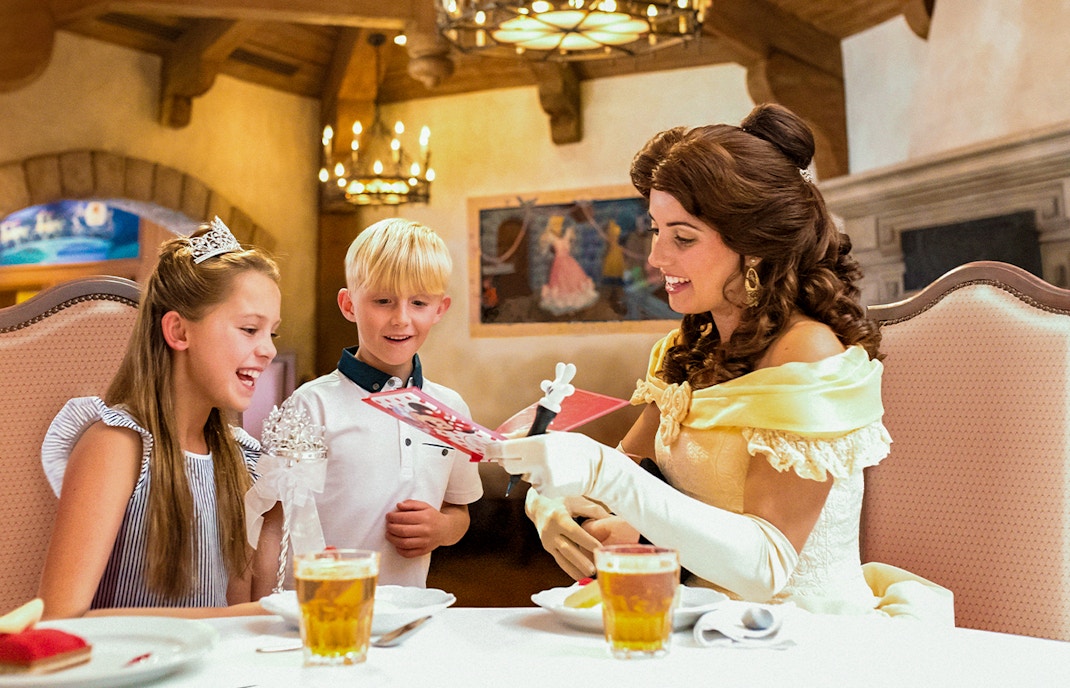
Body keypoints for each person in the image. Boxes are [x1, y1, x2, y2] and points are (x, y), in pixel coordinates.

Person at [488, 103, 953, 621]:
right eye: (656, 230)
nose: (656, 258)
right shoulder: (685, 350)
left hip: (802, 641)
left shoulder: (810, 357)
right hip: (692, 626)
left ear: (753, 248)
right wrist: (552, 502)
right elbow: (624, 490)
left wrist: (599, 470)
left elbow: (765, 568)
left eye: (683, 237)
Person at [38, 217, 284, 619]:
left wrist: (283, 509)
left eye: (271, 333)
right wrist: (255, 615)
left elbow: (244, 608)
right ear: (179, 332)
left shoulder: (244, 460)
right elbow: (60, 620)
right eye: (249, 329)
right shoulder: (117, 446)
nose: (269, 350)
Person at [285, 218, 483, 587]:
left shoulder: (449, 408)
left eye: (419, 302)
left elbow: (459, 510)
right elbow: (276, 522)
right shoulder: (310, 406)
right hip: (324, 612)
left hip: (410, 616)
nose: (401, 319)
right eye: (382, 301)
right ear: (349, 305)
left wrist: (441, 529)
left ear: (440, 309)